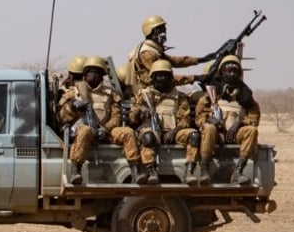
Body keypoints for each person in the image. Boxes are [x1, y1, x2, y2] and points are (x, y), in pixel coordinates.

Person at [58, 57, 140, 185]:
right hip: (86, 133)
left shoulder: (110, 94)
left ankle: (135, 170)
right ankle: (76, 170)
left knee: (128, 132)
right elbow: (61, 117)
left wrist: (105, 129)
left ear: (102, 76)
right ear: (85, 75)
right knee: (85, 130)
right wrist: (72, 106)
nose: (94, 75)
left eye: (98, 73)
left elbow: (116, 117)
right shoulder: (74, 93)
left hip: (106, 131)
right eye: (91, 72)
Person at [127, 60, 201, 185]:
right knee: (148, 137)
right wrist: (140, 111)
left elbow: (185, 119)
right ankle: (151, 171)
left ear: (170, 78)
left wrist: (175, 130)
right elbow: (132, 119)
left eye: (164, 75)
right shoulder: (143, 95)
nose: (161, 79)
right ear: (153, 78)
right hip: (150, 131)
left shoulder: (179, 97)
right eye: (158, 75)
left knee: (194, 135)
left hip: (172, 133)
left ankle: (189, 171)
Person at [119, 14, 219, 100]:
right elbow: (164, 78)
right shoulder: (147, 53)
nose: (164, 33)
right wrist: (195, 78)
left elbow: (175, 61)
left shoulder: (154, 50)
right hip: (151, 92)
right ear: (151, 31)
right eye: (160, 30)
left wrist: (201, 59)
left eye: (164, 29)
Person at [195, 55, 260, 185]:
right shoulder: (212, 94)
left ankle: (238, 171)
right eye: (228, 71)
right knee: (209, 128)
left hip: (235, 134)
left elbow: (254, 118)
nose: (231, 74)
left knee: (252, 130)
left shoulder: (246, 96)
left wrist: (240, 124)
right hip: (216, 135)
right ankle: (204, 170)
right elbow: (199, 116)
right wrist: (209, 120)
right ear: (222, 72)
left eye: (235, 71)